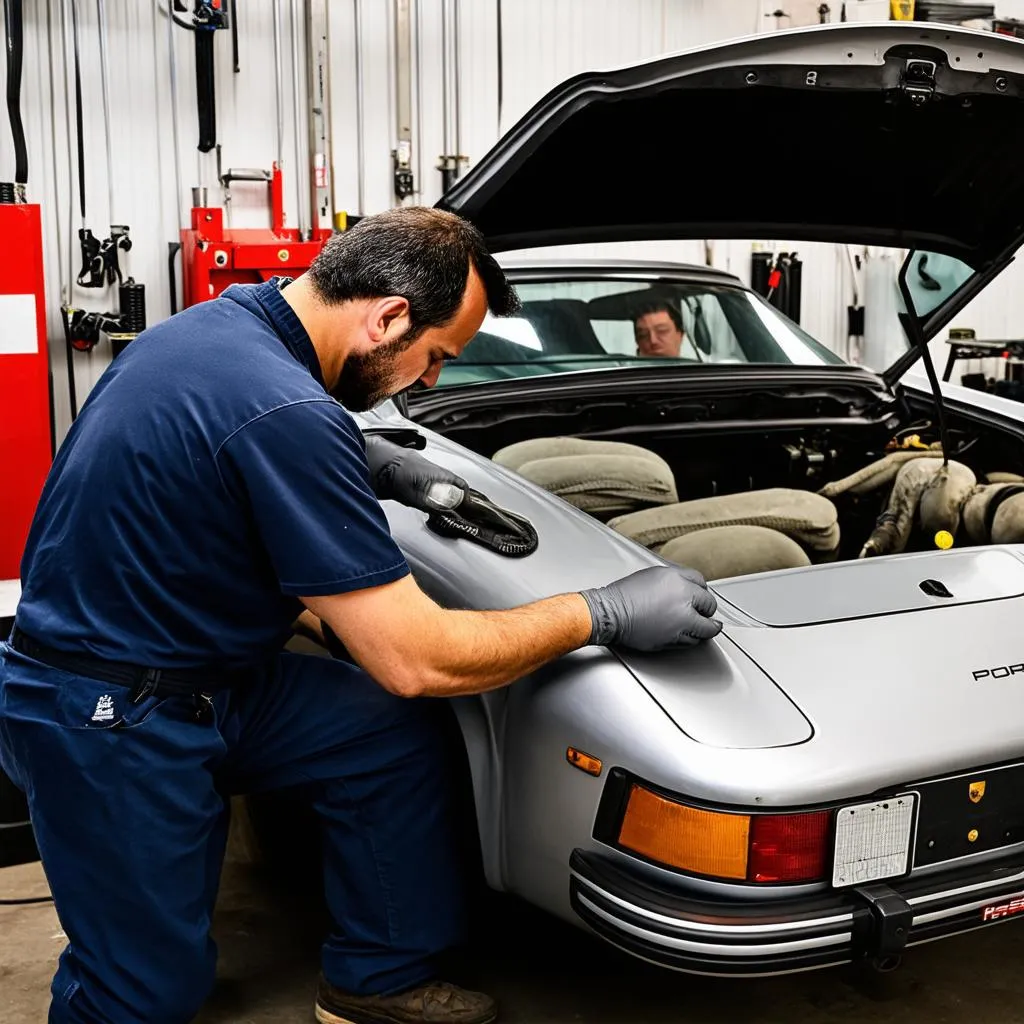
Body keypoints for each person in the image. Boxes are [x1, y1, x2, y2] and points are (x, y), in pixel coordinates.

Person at [0, 207, 722, 1024]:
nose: (431, 383)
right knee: (144, 992)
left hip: (207, 672)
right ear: (387, 317)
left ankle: (372, 979)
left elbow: (222, 487)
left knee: (385, 734)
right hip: (106, 712)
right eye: (437, 356)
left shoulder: (222, 328)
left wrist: (362, 461)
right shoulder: (284, 409)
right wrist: (602, 611)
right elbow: (419, 661)